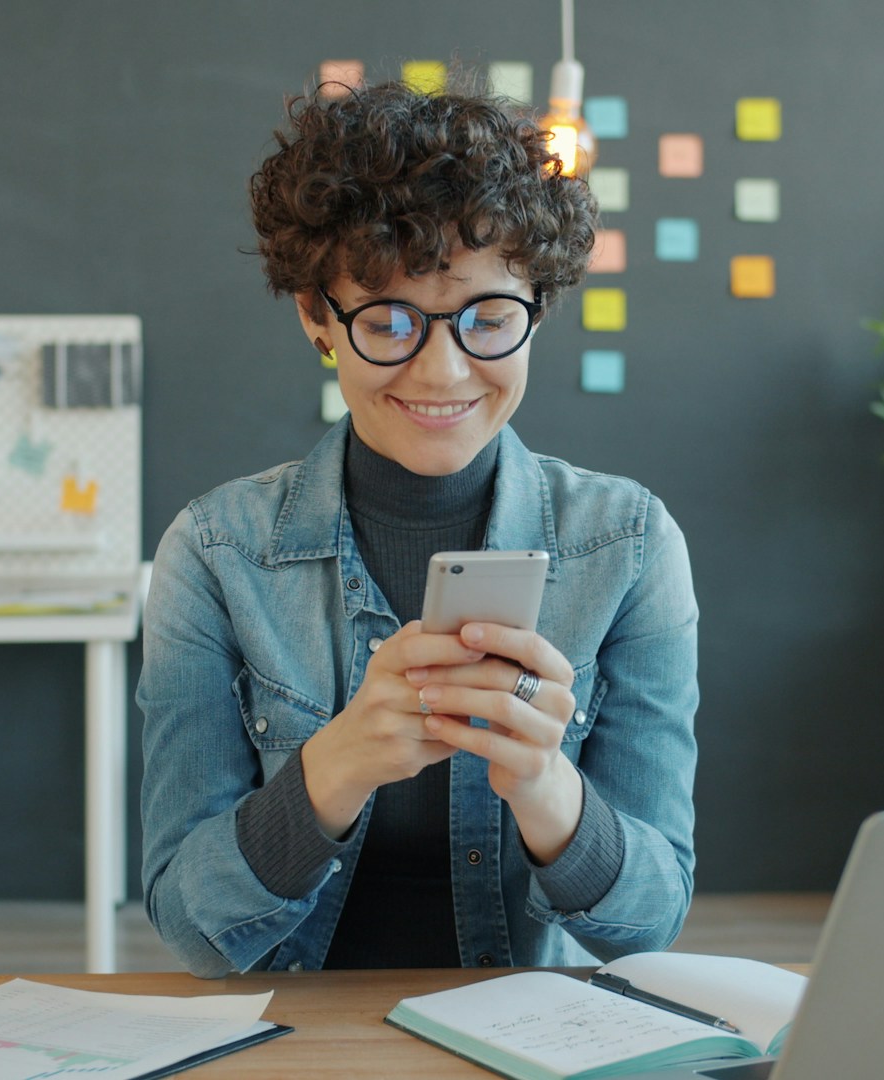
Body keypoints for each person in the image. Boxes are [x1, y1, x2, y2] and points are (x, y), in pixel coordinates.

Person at [138, 77, 698, 978]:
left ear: (537, 312)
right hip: (292, 1039)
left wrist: (547, 790)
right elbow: (192, 930)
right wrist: (335, 769)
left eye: (487, 318)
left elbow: (646, 927)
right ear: (318, 318)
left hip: (530, 1037)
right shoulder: (215, 554)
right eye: (389, 319)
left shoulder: (627, 545)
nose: (442, 371)